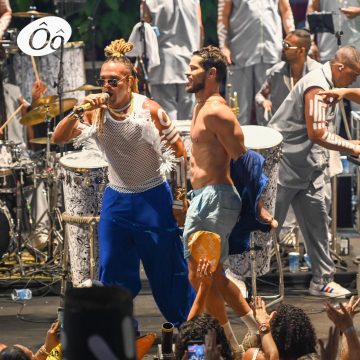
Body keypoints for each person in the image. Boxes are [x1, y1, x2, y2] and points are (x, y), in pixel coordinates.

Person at [52, 38, 195, 329]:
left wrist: (180, 201)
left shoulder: (150, 111)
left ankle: (189, 331)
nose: (107, 86)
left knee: (168, 273)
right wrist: (79, 110)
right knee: (113, 274)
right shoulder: (95, 111)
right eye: (102, 80)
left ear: (129, 81)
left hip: (153, 199)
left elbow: (180, 154)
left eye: (113, 80)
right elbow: (58, 137)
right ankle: (118, 333)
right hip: (117, 200)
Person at [183, 45, 265, 357]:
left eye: (194, 68)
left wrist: (258, 206)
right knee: (209, 275)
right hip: (204, 199)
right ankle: (245, 335)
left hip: (217, 198)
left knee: (202, 274)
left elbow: (246, 162)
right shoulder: (199, 106)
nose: (188, 73)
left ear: (212, 73)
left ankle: (238, 338)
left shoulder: (217, 111)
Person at [268, 45, 360, 297]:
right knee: (267, 225)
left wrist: (344, 91)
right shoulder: (317, 86)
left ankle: (322, 280)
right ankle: (240, 277)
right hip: (285, 164)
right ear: (340, 68)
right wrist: (352, 146)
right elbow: (317, 133)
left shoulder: (329, 82)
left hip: (309, 167)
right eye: (353, 75)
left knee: (318, 226)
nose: (355, 79)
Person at [255, 28, 322, 248]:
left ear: (302, 50)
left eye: (287, 45)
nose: (282, 48)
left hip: (309, 144)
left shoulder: (317, 73)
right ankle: (271, 251)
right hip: (280, 142)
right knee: (277, 197)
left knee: (312, 201)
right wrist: (264, 102)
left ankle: (304, 246)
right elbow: (260, 93)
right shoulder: (276, 71)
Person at [217, 0, 295, 125]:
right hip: (239, 53)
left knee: (269, 109)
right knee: (237, 110)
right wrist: (223, 46)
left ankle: (270, 143)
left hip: (271, 52)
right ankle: (236, 143)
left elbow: (285, 10)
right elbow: (223, 16)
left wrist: (292, 37)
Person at [0, 80, 50, 251]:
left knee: (36, 180)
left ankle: (39, 234)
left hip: (16, 150)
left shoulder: (12, 89)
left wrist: (35, 100)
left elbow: (29, 117)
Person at [141, 0, 204, 120]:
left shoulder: (149, 1)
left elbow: (145, 34)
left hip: (162, 65)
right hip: (189, 64)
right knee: (189, 118)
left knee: (166, 120)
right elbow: (200, 28)